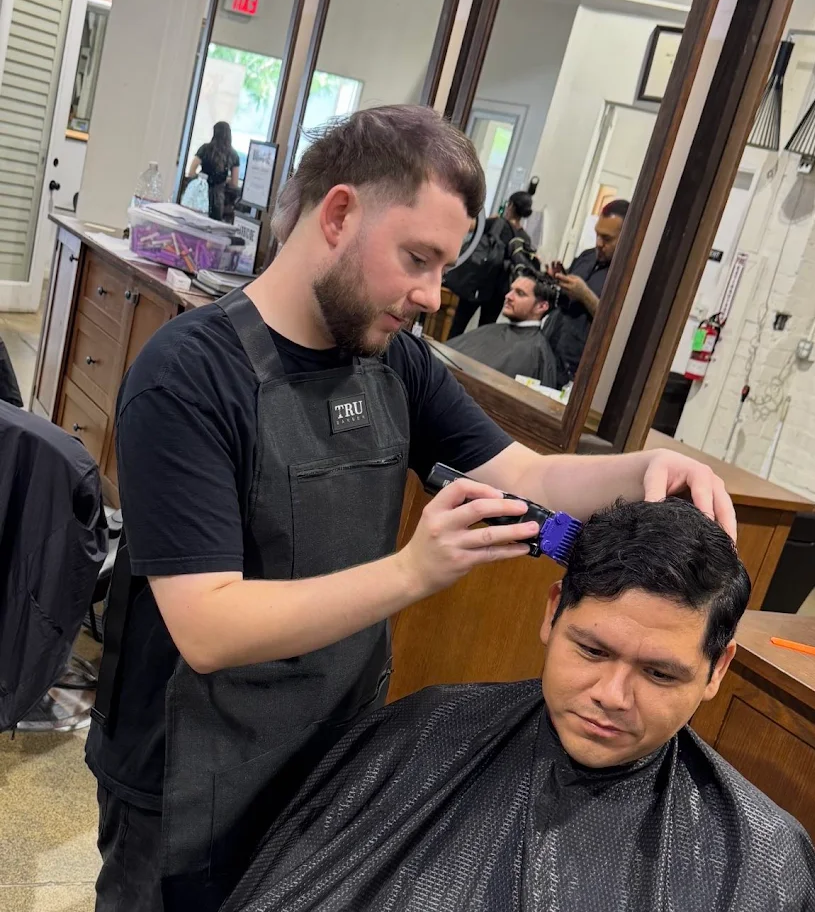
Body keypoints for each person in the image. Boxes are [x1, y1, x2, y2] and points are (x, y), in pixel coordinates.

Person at [86, 105, 734, 912]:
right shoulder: (187, 377)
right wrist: (413, 571)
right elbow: (208, 627)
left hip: (330, 752)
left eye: (444, 264)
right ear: (339, 214)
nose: (432, 294)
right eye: (417, 258)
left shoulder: (393, 365)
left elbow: (528, 471)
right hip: (185, 775)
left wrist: (647, 466)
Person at [221, 498, 815, 912]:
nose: (612, 698)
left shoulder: (761, 862)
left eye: (659, 673)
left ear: (715, 671)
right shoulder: (425, 733)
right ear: (552, 612)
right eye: (591, 651)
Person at [544, 197, 628, 384]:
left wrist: (585, 295)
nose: (598, 243)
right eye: (597, 234)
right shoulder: (586, 257)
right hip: (550, 351)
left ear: (627, 235)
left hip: (578, 371)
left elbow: (617, 325)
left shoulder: (629, 276)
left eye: (607, 238)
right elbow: (566, 301)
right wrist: (559, 281)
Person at [445, 190, 536, 338]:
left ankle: (443, 357)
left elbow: (470, 226)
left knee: (458, 326)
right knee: (485, 334)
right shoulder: (525, 239)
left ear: (511, 206)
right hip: (499, 293)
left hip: (477, 284)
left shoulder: (497, 223)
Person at [447, 273, 560, 387]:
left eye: (520, 293)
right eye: (511, 290)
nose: (508, 296)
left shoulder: (537, 353)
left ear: (541, 307)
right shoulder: (490, 329)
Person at [187, 120, 241, 221]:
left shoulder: (205, 148)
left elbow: (191, 171)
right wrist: (224, 179)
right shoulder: (233, 154)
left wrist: (200, 178)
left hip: (200, 191)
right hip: (218, 197)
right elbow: (234, 183)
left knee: (194, 220)